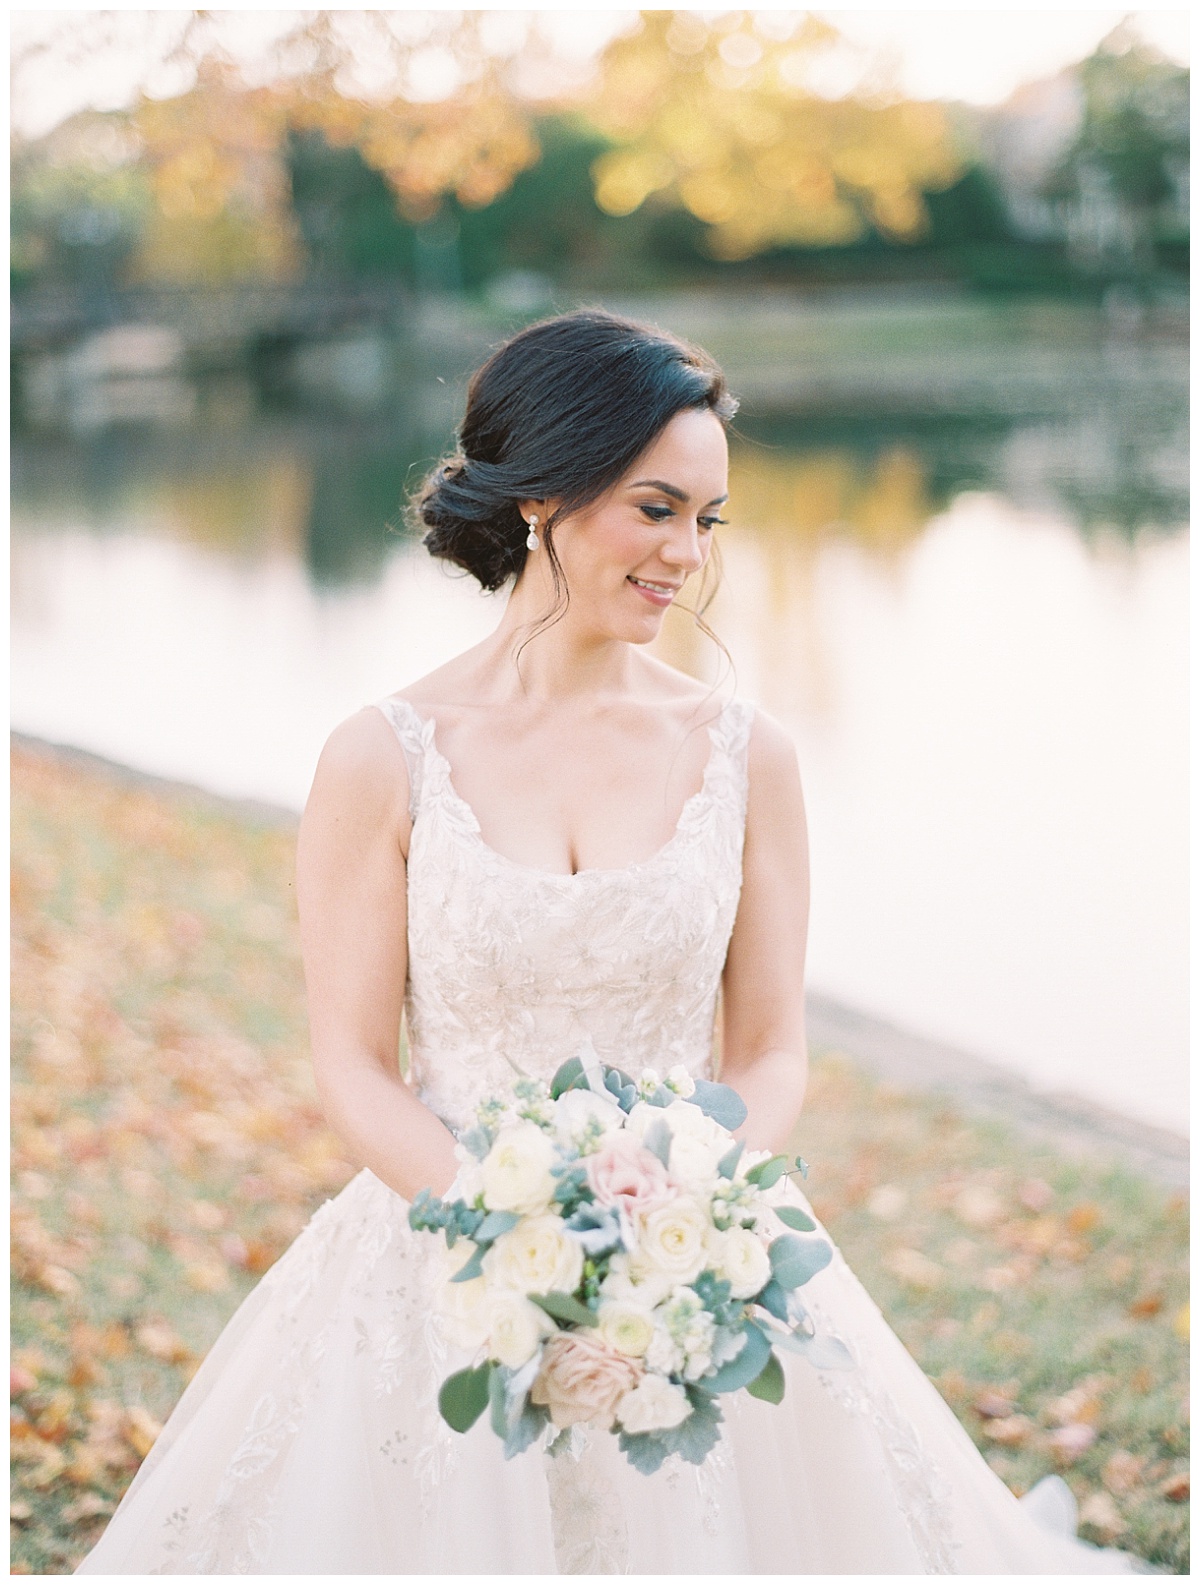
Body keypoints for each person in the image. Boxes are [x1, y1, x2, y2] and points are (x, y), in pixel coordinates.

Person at [78, 310, 1136, 1575]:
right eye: (656, 508)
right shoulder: (381, 758)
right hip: (442, 1257)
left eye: (709, 519)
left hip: (695, 1262)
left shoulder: (752, 757)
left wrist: (670, 1214)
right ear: (543, 498)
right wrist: (514, 1228)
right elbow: (354, 1067)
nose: (688, 553)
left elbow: (772, 1051)